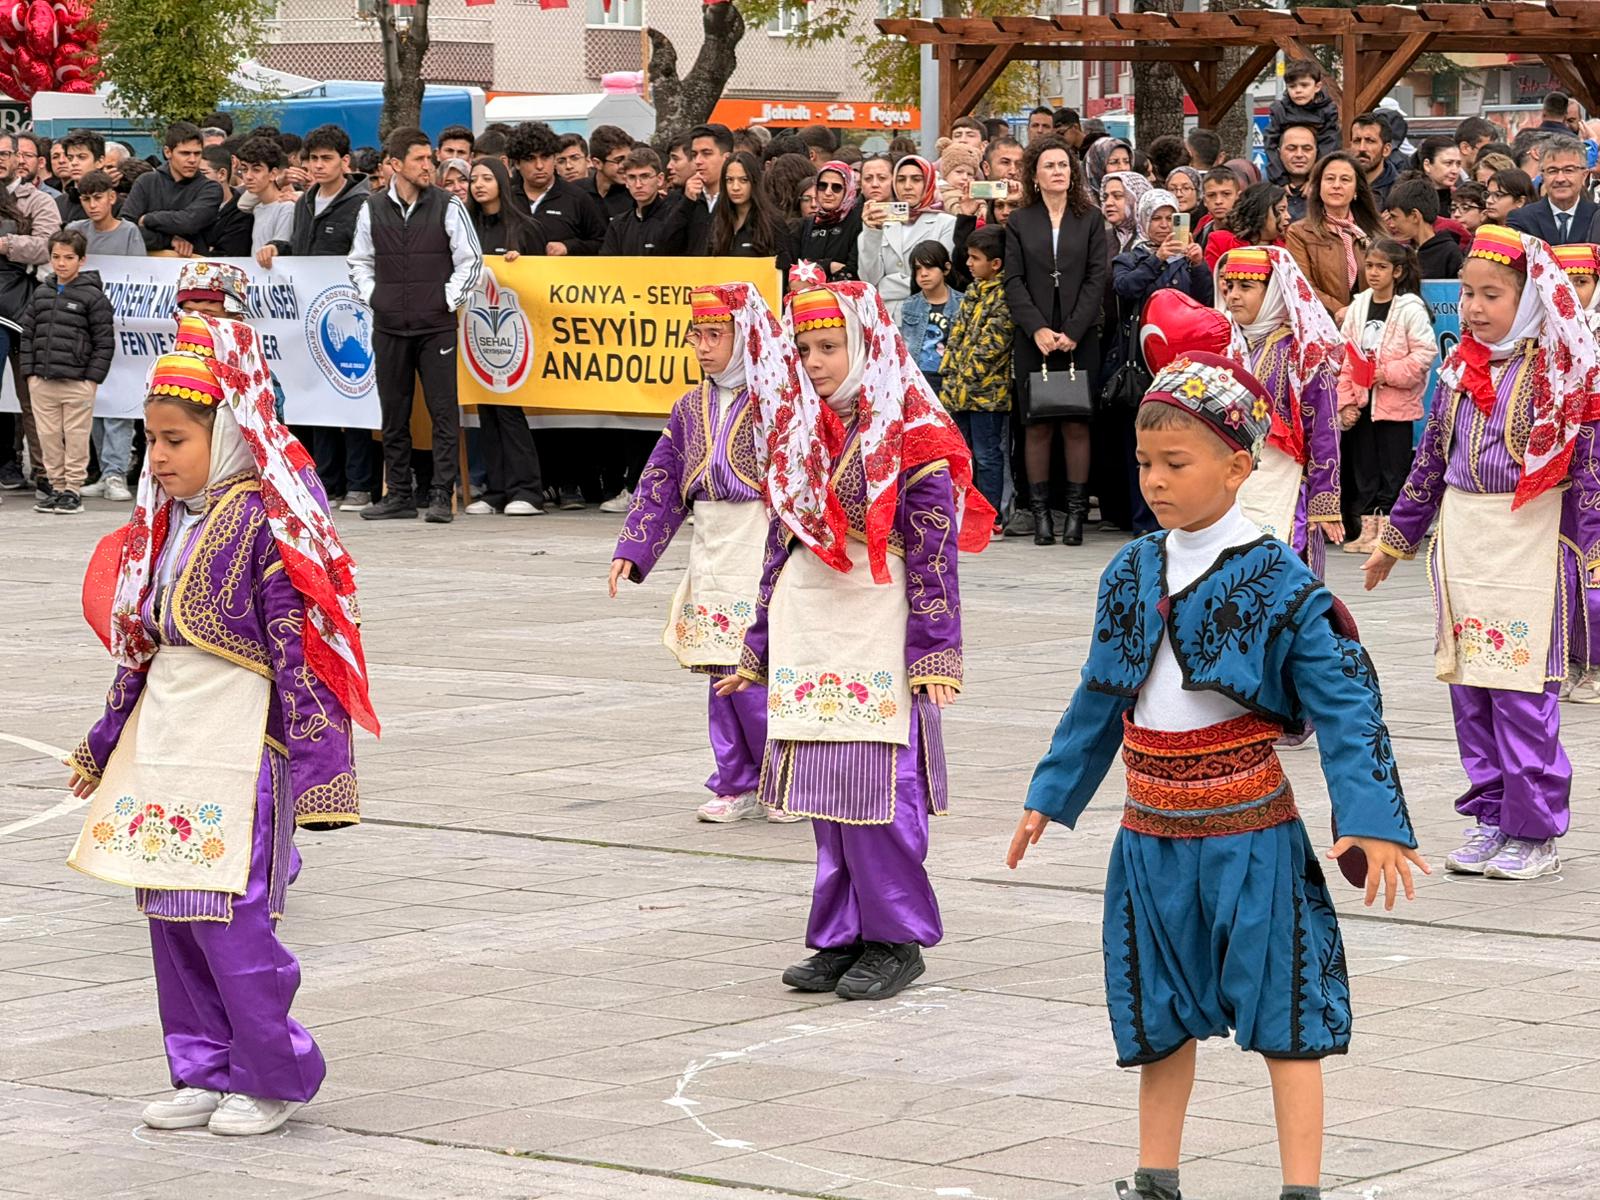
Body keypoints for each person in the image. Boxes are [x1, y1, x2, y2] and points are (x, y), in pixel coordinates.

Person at [1009, 351, 1424, 1200]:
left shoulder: (1282, 582)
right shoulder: (1129, 570)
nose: (1154, 481)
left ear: (1240, 466)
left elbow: (1350, 705)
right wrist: (1049, 796)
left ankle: (1300, 1189)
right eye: (1144, 464)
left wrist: (1371, 815)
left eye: (1176, 463)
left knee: (1287, 1014)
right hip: (1148, 832)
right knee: (1156, 1012)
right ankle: (1154, 1177)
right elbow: (1100, 694)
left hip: (1252, 835)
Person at [65, 311, 374, 1139]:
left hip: (242, 746)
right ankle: (200, 1065)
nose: (157, 458)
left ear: (228, 432)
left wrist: (320, 769)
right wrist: (104, 745)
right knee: (169, 911)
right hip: (167, 742)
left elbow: (302, 650)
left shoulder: (269, 525)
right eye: (150, 440)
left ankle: (271, 1075)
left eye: (174, 440)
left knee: (232, 920)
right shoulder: (166, 527)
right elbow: (142, 649)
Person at [718, 280, 993, 1001]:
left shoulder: (916, 434)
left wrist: (936, 650)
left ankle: (896, 938)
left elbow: (935, 552)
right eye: (804, 349)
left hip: (878, 623)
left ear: (866, 342)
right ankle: (840, 936)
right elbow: (780, 547)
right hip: (811, 624)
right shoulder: (800, 432)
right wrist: (757, 646)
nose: (814, 362)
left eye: (829, 347)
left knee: (878, 787)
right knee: (822, 786)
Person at [1365, 225, 1600, 881]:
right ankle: (1491, 816)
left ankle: (1536, 831)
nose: (1472, 307)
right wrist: (1395, 540)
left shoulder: (1565, 377)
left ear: (1528, 301)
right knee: (1472, 689)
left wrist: (1592, 555)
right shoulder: (1458, 371)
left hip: (1530, 541)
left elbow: (1590, 473)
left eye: (1489, 295)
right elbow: (1429, 463)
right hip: (1464, 544)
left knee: (1523, 691)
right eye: (1467, 293)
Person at [607, 284, 798, 824]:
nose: (703, 346)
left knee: (759, 672)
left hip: (761, 542)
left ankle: (783, 778)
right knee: (720, 672)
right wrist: (634, 547)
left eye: (716, 335)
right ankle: (735, 779)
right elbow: (662, 479)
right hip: (710, 545)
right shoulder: (689, 406)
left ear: (746, 337)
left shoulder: (777, 404)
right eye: (697, 335)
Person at [348, 126, 483, 525]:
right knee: (393, 411)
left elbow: (470, 262)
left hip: (435, 325)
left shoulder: (447, 205)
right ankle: (400, 495)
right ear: (395, 164)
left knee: (443, 411)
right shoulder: (371, 207)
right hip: (389, 324)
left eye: (431, 158)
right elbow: (358, 260)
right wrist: (375, 298)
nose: (429, 166)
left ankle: (442, 493)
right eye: (420, 159)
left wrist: (445, 300)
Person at [257, 124, 377, 514]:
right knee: (316, 397)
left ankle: (360, 482)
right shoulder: (305, 201)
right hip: (311, 310)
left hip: (351, 311)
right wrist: (280, 246)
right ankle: (327, 479)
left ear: (345, 162)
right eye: (313, 159)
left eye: (327, 158)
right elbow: (303, 247)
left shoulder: (364, 203)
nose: (319, 165)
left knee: (352, 393)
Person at [1214, 246, 1346, 574]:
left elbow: (1325, 429)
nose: (1233, 296)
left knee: (1282, 580)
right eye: (1230, 286)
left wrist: (1324, 500)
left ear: (1274, 291)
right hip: (1237, 486)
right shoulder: (1231, 349)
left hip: (1288, 489)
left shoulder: (1302, 353)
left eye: (1247, 286)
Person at [1006, 136, 1107, 547]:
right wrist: (1038, 329)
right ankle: (1042, 515)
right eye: (1049, 165)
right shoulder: (1019, 220)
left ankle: (1076, 517)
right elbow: (1013, 281)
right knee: (1037, 425)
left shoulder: (1090, 218)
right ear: (1035, 174)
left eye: (1064, 165)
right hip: (1035, 337)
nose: (1058, 172)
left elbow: (1096, 277)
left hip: (1078, 336)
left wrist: (1073, 330)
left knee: (1076, 422)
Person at [1336, 238, 1437, 556]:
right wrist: (1347, 401)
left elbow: (1424, 354)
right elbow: (1344, 357)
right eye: (1369, 266)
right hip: (1364, 402)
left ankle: (1392, 531)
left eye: (1382, 267)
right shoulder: (1359, 305)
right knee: (1365, 468)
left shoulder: (1410, 308)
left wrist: (1387, 373)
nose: (1374, 273)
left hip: (1395, 405)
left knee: (1393, 470)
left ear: (1397, 271)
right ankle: (1367, 530)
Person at [462, 155, 546, 520]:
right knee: (486, 410)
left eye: (486, 178)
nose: (479, 185)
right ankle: (495, 490)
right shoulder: (465, 229)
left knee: (510, 412)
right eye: (473, 179)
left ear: (501, 182)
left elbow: (544, 279)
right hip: (476, 333)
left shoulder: (524, 226)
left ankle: (527, 489)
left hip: (516, 334)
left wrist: (521, 264)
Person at [22, 228, 112, 515]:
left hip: (77, 381)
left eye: (69, 257)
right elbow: (28, 334)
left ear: (82, 260)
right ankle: (56, 488)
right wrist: (30, 374)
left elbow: (104, 341)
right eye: (56, 257)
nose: (61, 263)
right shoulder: (42, 292)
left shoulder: (93, 296)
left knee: (75, 436)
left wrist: (92, 379)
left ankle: (73, 488)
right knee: (48, 436)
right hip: (43, 380)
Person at [1552, 242, 1600, 702]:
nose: (1572, 293)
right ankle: (1566, 658)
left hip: (1598, 458)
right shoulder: (1543, 335)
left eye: (1581, 283)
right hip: (1561, 461)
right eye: (1564, 283)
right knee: (1560, 560)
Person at [940, 222, 1012, 523]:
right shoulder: (972, 291)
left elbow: (993, 344)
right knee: (964, 454)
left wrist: (968, 374)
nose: (968, 263)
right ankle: (966, 511)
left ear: (995, 264)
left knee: (987, 454)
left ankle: (990, 514)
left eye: (975, 258)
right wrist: (950, 370)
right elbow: (957, 334)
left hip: (987, 394)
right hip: (958, 390)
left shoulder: (1006, 295)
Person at [858, 155, 957, 321]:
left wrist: (886, 285)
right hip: (886, 318)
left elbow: (937, 277)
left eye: (916, 179)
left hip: (929, 316)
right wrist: (872, 231)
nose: (908, 186)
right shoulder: (881, 223)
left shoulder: (946, 223)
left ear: (929, 182)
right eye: (901, 180)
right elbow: (869, 280)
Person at [1287, 151, 1382, 320]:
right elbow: (1303, 285)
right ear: (1318, 187)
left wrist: (1363, 313)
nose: (1336, 185)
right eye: (1330, 179)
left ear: (1356, 190)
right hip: (1323, 324)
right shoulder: (1299, 233)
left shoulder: (1373, 232)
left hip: (1371, 322)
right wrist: (1343, 312)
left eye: (1345, 180)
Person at [505, 121, 606, 257]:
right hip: (514, 277)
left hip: (563, 277)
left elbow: (601, 243)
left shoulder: (578, 198)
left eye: (545, 157)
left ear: (554, 159)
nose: (539, 165)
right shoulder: (506, 199)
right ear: (517, 163)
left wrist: (568, 247)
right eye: (530, 158)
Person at [122, 121, 223, 254]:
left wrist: (147, 219)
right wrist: (168, 240)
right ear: (168, 152)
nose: (192, 160)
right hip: (148, 267)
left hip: (193, 268)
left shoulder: (210, 188)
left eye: (197, 153)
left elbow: (189, 222)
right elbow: (124, 229)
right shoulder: (146, 182)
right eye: (185, 153)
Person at [1500, 136, 1598, 244]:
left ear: (1584, 175)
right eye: (1552, 171)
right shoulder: (1521, 219)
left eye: (1568, 170)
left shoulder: (1597, 216)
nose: (1560, 179)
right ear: (1542, 176)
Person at [899, 239, 963, 402]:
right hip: (919, 378)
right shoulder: (909, 305)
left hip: (952, 379)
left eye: (929, 267)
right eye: (918, 268)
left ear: (946, 268)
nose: (923, 273)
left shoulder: (963, 303)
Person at [708, 151, 790, 275]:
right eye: (729, 180)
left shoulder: (772, 223)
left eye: (744, 180)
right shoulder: (718, 220)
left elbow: (784, 272)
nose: (735, 187)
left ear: (754, 182)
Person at [601, 146, 689, 255]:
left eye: (645, 176)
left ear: (660, 179)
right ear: (626, 181)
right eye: (632, 177)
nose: (638, 185)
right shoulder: (618, 225)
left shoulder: (674, 218)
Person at [1266, 59, 1340, 185]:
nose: (1298, 91)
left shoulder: (1327, 111)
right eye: (1292, 86)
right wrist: (1280, 179)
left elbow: (1329, 147)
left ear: (1317, 87)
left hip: (1317, 175)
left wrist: (1314, 179)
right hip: (1284, 175)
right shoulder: (1280, 110)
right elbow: (1270, 146)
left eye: (1304, 85)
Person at [1382, 177, 1465, 279]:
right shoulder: (1402, 252)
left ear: (1415, 216)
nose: (1391, 225)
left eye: (1394, 217)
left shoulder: (1449, 253)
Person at [792, 159, 859, 282]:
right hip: (808, 298)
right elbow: (794, 270)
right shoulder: (806, 225)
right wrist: (830, 265)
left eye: (836, 187)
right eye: (823, 186)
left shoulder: (857, 223)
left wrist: (817, 267)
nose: (828, 192)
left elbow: (854, 271)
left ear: (848, 190)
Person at [1204, 181, 1289, 270]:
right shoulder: (1221, 242)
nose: (1288, 216)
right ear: (1261, 212)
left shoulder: (1286, 246)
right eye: (1281, 210)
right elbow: (1210, 280)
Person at [236, 138, 295, 254]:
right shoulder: (257, 208)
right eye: (244, 169)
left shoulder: (286, 207)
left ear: (273, 174)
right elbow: (242, 204)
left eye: (256, 170)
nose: (248, 176)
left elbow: (282, 249)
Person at [684, 123, 734, 255]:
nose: (698, 161)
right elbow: (664, 246)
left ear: (727, 158)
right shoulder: (681, 199)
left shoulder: (739, 199)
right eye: (694, 154)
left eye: (706, 154)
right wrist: (686, 203)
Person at [581, 124, 635, 220]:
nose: (626, 165)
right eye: (619, 160)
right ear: (597, 163)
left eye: (629, 159)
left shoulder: (636, 194)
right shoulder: (576, 193)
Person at [1348, 111, 1399, 208]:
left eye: (1370, 141)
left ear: (1386, 150)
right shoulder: (1338, 185)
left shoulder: (1399, 192)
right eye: (1357, 141)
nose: (1362, 148)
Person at [53, 127, 103, 224]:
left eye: (82, 157)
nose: (74, 163)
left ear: (100, 161)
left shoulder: (113, 203)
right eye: (70, 158)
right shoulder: (57, 203)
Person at [1084, 137, 1132, 201]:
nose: (1123, 168)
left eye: (1126, 161)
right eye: (1114, 162)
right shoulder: (1083, 202)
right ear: (1096, 166)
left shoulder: (1134, 196)